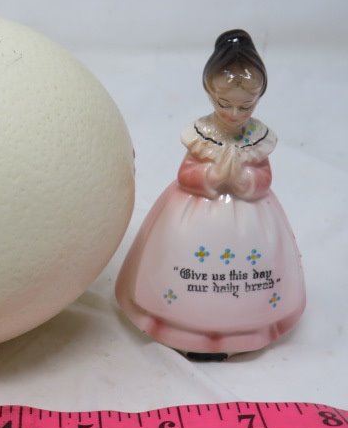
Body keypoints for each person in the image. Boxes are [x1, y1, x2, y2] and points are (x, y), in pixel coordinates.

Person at [116, 29, 306, 360]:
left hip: (250, 218)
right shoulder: (203, 135)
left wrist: (244, 179)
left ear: (258, 99)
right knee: (175, 250)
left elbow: (263, 178)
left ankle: (246, 324)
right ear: (210, 93)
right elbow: (187, 174)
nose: (234, 114)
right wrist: (213, 176)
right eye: (225, 104)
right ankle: (180, 322)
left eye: (245, 106)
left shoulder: (257, 139)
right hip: (195, 212)